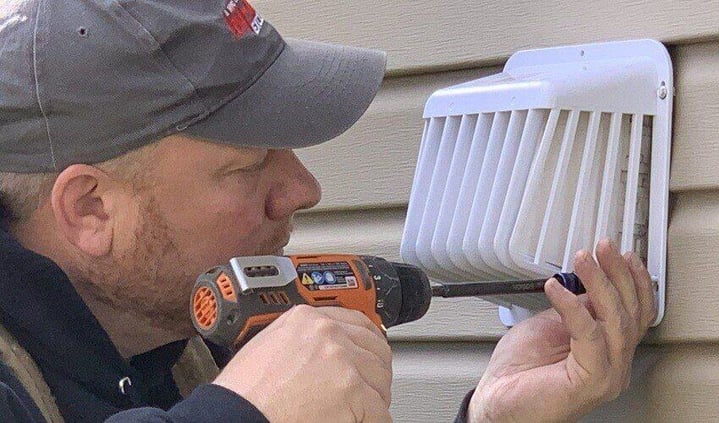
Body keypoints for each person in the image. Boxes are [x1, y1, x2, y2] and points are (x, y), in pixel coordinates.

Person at [0, 1, 656, 422]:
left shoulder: (176, 357)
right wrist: (239, 415)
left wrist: (491, 420)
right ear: (90, 209)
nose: (302, 187)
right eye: (247, 163)